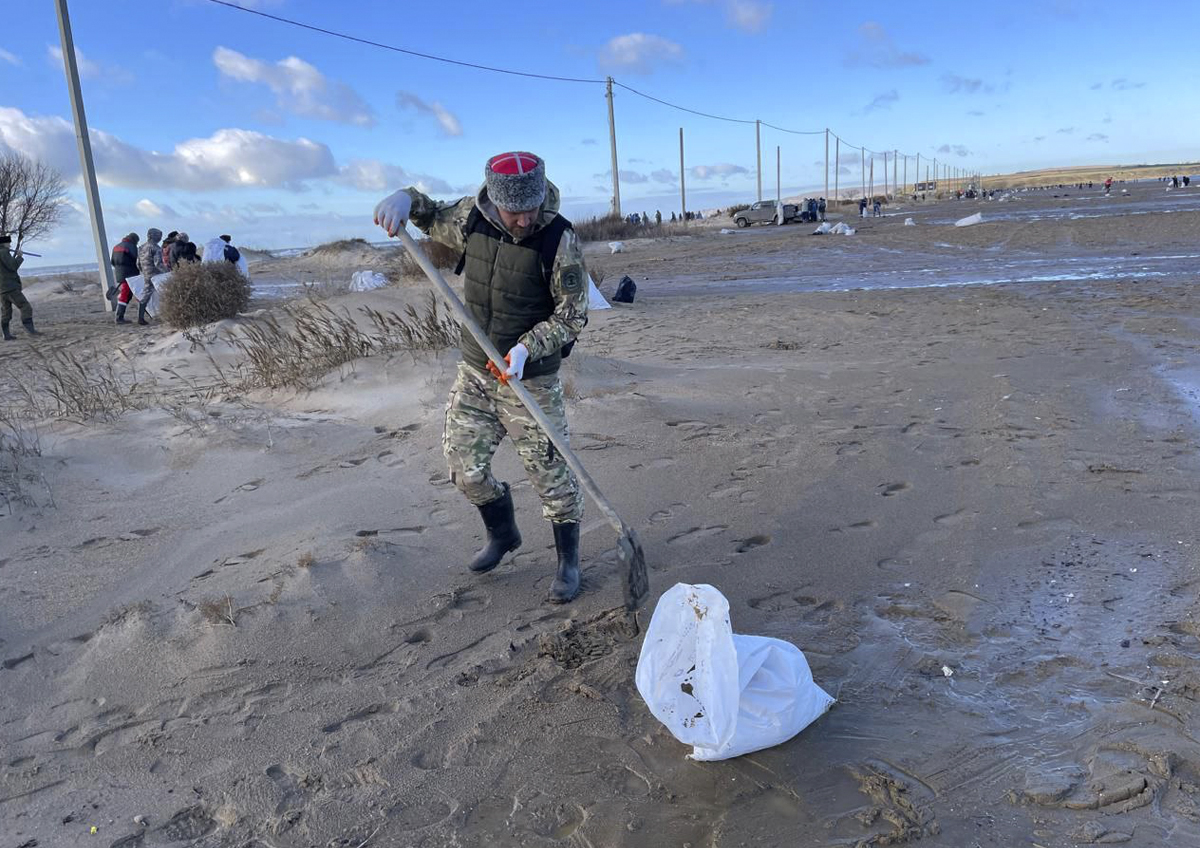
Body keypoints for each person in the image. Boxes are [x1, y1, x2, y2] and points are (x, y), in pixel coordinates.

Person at [373, 151, 589, 603]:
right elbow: (428, 213)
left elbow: (571, 317)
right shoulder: (471, 219)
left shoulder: (558, 238)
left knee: (554, 480)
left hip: (529, 381)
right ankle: (504, 533)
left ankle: (568, 561)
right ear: (494, 200)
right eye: (515, 211)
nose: (525, 219)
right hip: (476, 372)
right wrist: (402, 199)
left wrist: (528, 348)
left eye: (532, 208)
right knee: (464, 470)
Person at [1, 234, 37, 339]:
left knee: (6, 312)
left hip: (2, 289)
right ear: (4, 243)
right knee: (25, 307)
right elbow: (13, 266)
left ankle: (6, 335)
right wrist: (19, 257)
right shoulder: (3, 252)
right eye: (8, 243)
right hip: (10, 287)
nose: (10, 245)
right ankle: (30, 331)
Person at [135, 228, 168, 325]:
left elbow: (138, 263)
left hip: (146, 274)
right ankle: (169, 314)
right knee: (165, 293)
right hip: (156, 274)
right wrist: (167, 272)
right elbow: (158, 264)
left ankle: (140, 317)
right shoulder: (156, 248)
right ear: (155, 236)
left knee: (146, 295)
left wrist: (144, 272)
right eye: (159, 236)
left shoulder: (141, 247)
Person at [110, 232, 140, 323]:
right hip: (130, 274)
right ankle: (119, 317)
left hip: (120, 274)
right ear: (134, 240)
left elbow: (112, 262)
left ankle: (120, 316)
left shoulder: (116, 247)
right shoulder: (131, 246)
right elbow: (137, 259)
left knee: (126, 294)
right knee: (128, 294)